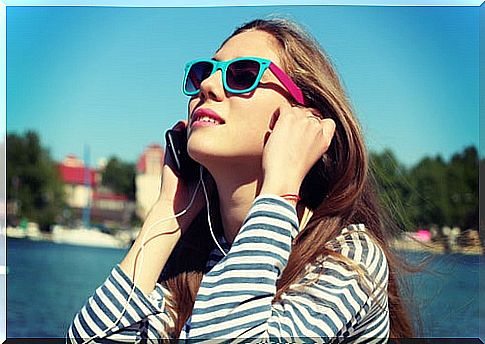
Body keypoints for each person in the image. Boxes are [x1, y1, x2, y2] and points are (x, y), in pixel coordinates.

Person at [66, 17, 414, 343]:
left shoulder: (347, 258)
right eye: (205, 71)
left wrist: (279, 190)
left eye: (242, 74)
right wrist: (167, 215)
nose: (208, 84)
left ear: (305, 119)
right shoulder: (193, 259)